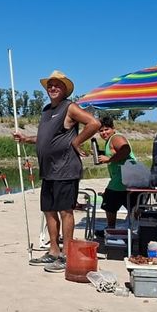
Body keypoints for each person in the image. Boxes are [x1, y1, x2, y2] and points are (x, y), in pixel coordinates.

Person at [13, 70, 101, 272]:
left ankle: (68, 254)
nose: (52, 88)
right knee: (48, 210)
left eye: (57, 85)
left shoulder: (69, 107)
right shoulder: (46, 110)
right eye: (50, 85)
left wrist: (76, 141)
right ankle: (54, 251)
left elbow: (94, 123)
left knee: (65, 211)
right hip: (48, 170)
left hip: (65, 169)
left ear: (64, 89)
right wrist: (27, 139)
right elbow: (46, 138)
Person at [96, 115, 141, 236]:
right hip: (126, 180)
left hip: (121, 180)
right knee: (133, 207)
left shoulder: (116, 137)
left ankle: (111, 229)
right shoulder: (110, 141)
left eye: (106, 129)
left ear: (113, 129)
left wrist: (109, 159)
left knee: (109, 203)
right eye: (101, 130)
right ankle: (136, 229)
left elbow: (125, 150)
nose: (104, 132)